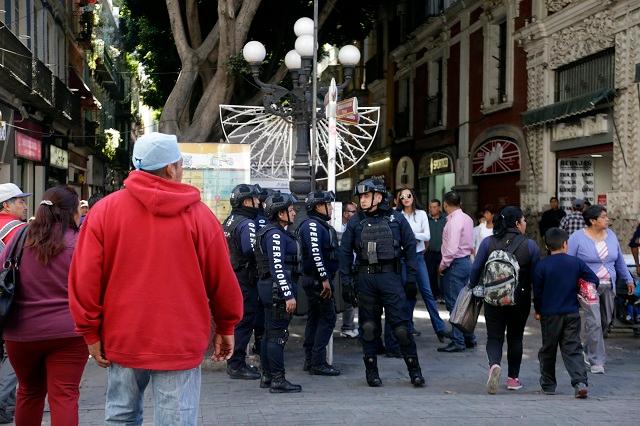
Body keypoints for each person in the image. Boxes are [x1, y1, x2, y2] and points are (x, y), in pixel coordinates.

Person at [69, 132, 243, 425]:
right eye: (180, 162)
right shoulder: (200, 216)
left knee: (121, 416)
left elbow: (84, 278)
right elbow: (221, 279)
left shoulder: (104, 212)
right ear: (170, 169)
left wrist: (90, 332)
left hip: (123, 335)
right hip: (180, 339)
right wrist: (226, 325)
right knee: (176, 420)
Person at [0, 185, 88, 425]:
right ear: (71, 212)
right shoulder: (80, 243)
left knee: (28, 391)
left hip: (20, 333)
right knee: (65, 395)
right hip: (69, 332)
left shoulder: (18, 238)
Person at [339, 178, 425, 387]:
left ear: (378, 196)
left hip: (390, 278)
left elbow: (410, 247)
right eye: (361, 197)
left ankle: (415, 372)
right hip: (365, 278)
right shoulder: (355, 221)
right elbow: (344, 251)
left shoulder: (396, 219)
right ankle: (372, 372)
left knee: (402, 328)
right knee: (368, 327)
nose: (363, 200)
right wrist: (346, 281)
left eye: (367, 196)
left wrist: (412, 278)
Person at [470, 206, 540, 393]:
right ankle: (513, 379)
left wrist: (472, 287)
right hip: (520, 298)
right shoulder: (530, 245)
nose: (525, 224)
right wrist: (538, 304)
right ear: (517, 223)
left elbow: (476, 268)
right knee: (515, 337)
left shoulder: (488, 242)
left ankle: (494, 365)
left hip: (492, 298)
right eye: (524, 221)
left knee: (494, 336)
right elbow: (537, 276)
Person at [567, 205, 635, 374]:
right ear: (593, 221)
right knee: (594, 321)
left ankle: (587, 347)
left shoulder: (611, 236)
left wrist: (628, 279)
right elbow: (569, 262)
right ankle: (596, 360)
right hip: (588, 286)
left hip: (608, 285)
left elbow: (619, 260)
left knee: (605, 321)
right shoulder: (577, 237)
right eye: (603, 217)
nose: (607, 219)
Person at [533, 228, 598, 398]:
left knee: (548, 349)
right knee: (572, 348)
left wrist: (538, 310)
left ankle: (548, 385)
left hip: (549, 314)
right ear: (565, 244)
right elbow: (593, 279)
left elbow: (537, 293)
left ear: (547, 246)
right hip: (571, 312)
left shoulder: (541, 265)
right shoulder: (576, 263)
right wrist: (580, 289)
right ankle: (580, 382)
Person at [254, 192, 302, 393]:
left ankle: (267, 376)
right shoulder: (274, 234)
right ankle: (278, 379)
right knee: (277, 335)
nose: (294, 213)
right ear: (280, 213)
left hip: (269, 289)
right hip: (276, 291)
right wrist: (287, 294)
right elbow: (277, 267)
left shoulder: (274, 231)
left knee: (268, 334)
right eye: (290, 210)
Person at [296, 190, 341, 376]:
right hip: (317, 281)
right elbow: (315, 253)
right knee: (328, 318)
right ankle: (318, 362)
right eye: (327, 204)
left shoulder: (318, 225)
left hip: (316, 279)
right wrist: (324, 279)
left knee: (315, 319)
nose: (330, 208)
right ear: (317, 206)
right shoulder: (312, 225)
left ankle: (311, 359)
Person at [397, 188, 448, 343]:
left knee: (427, 292)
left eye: (408, 195)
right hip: (403, 257)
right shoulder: (397, 215)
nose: (406, 198)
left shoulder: (421, 214)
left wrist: (410, 235)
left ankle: (439, 328)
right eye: (402, 196)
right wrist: (413, 236)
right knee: (407, 292)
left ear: (414, 196)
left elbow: (427, 236)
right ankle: (407, 326)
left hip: (418, 257)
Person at [223, 184, 262, 380]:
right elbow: (250, 251)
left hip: (231, 276)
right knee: (245, 320)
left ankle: (234, 360)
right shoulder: (247, 223)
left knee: (236, 321)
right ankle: (236, 364)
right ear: (246, 201)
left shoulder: (229, 220)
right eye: (255, 199)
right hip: (245, 279)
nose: (258, 203)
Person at [0, 182, 30, 424]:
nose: (25, 205)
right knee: (12, 354)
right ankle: (3, 403)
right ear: (6, 205)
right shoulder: (18, 231)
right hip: (9, 300)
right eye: (20, 201)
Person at [438, 191, 476, 353]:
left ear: (445, 204)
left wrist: (442, 265)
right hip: (466, 261)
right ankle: (469, 337)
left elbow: (451, 249)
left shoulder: (453, 222)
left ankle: (458, 340)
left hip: (455, 264)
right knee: (465, 303)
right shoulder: (467, 218)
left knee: (454, 304)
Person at [339, 202, 359, 338]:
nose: (355, 214)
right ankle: (347, 326)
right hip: (343, 266)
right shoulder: (339, 228)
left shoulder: (356, 227)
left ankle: (349, 325)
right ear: (345, 214)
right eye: (353, 212)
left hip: (354, 265)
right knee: (347, 296)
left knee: (352, 298)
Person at [427, 199, 446, 301]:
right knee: (431, 274)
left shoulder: (445, 219)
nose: (432, 209)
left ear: (439, 208)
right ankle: (434, 295)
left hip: (442, 251)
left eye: (434, 207)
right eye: (430, 207)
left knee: (443, 273)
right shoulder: (426, 219)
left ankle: (443, 295)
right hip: (429, 251)